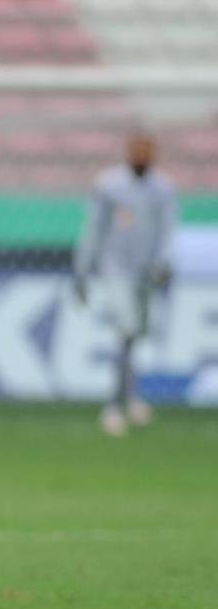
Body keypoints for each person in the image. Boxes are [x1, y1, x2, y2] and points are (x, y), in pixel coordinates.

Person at [73, 132, 176, 437]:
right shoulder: (109, 185)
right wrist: (82, 270)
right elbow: (93, 227)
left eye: (147, 151)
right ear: (128, 153)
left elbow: (169, 230)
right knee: (127, 328)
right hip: (115, 267)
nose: (142, 156)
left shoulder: (163, 189)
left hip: (148, 272)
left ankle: (130, 398)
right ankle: (114, 405)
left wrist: (164, 264)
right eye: (137, 150)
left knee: (134, 335)